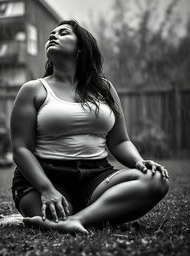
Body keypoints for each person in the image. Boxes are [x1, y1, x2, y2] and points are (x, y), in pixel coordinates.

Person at [10, 20, 169, 234]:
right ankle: (91, 214)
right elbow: (21, 149)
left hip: (95, 176)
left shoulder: (104, 88)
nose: (53, 36)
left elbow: (120, 141)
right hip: (45, 176)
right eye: (51, 34)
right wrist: (47, 189)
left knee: (155, 180)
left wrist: (139, 162)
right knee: (54, 208)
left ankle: (76, 219)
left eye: (63, 33)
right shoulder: (33, 90)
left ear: (81, 48)